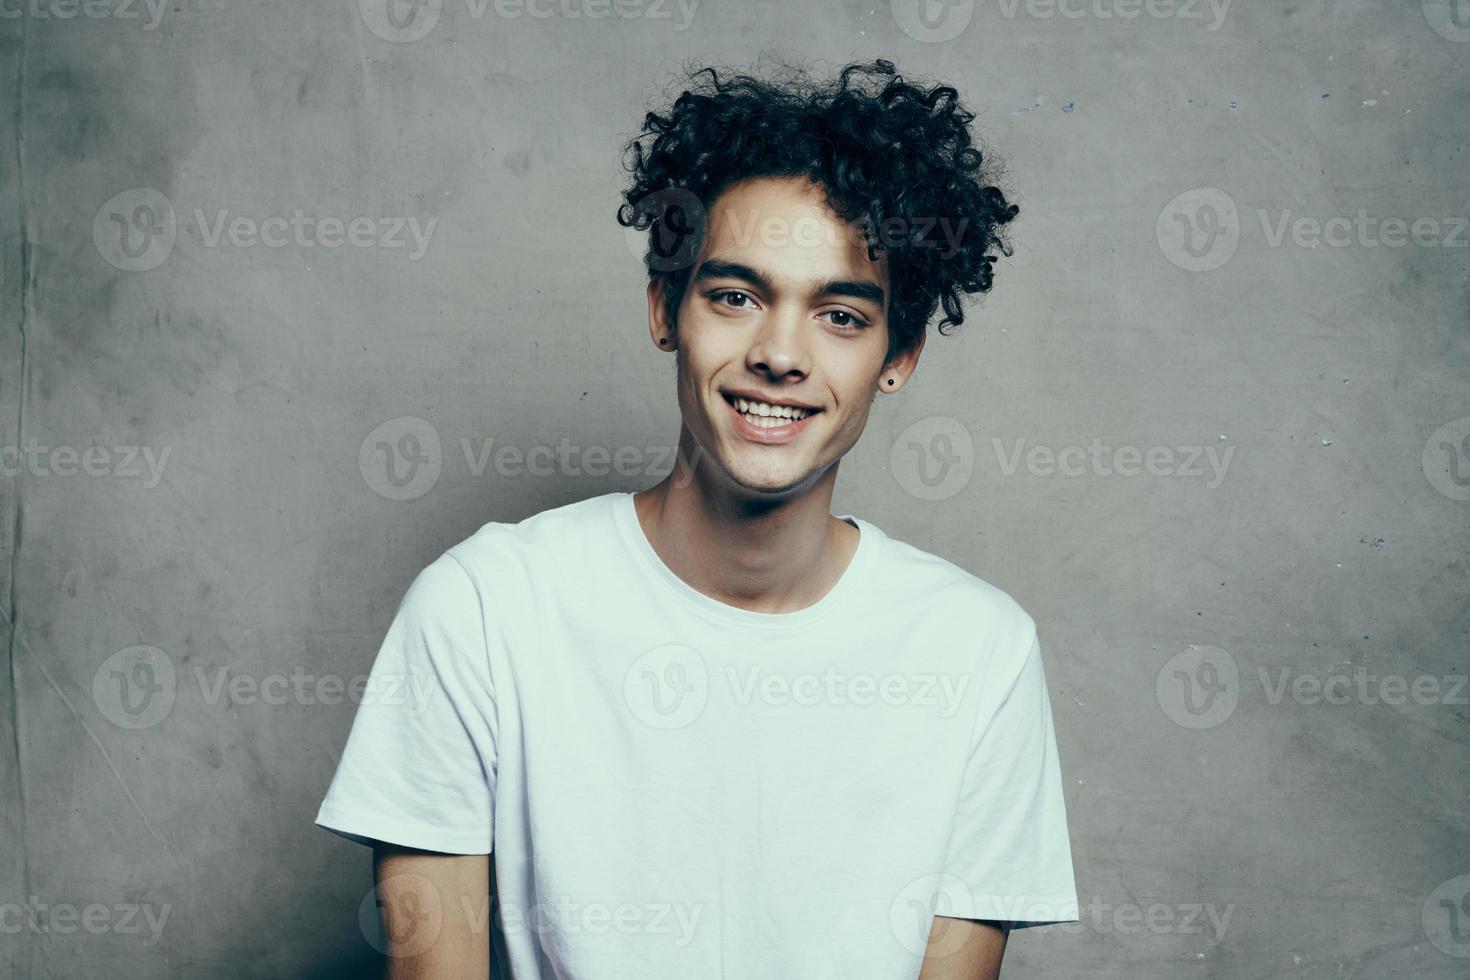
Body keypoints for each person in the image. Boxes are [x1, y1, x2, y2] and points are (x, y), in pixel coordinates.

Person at [316, 57, 1079, 979]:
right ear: (663, 310)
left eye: (840, 314)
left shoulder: (978, 652)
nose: (781, 355)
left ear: (899, 355)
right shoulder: (483, 611)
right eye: (736, 296)